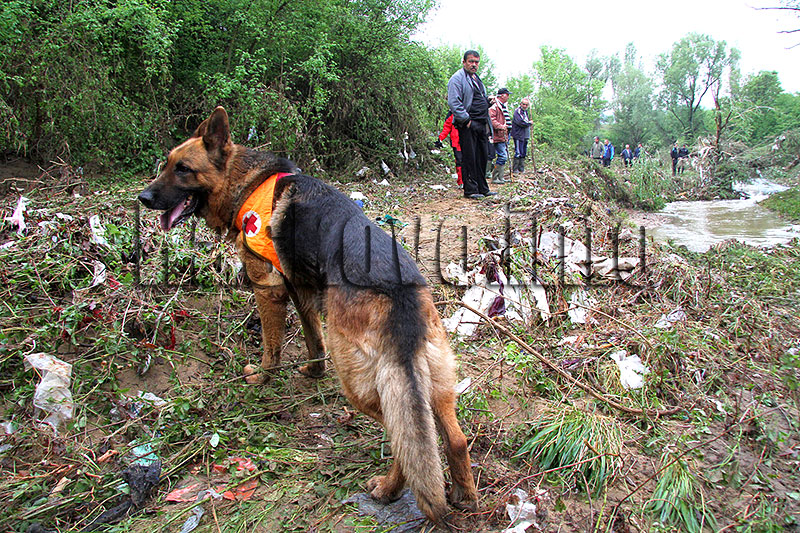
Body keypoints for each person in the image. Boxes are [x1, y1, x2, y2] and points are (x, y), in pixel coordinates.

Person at [447, 50, 497, 199]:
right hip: (468, 125)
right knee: (470, 157)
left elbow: (476, 100)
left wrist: (487, 102)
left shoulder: (476, 79)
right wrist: (466, 120)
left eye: (476, 62)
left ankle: (483, 188)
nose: (474, 65)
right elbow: (454, 102)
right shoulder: (457, 79)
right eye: (471, 61)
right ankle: (471, 190)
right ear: (464, 62)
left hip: (482, 124)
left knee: (482, 157)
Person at [489, 87, 512, 184]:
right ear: (502, 95)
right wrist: (501, 127)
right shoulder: (494, 107)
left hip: (504, 135)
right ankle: (495, 178)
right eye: (507, 95)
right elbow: (492, 120)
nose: (508, 97)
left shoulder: (503, 106)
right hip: (497, 135)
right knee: (502, 156)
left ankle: (500, 178)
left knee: (503, 155)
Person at [435, 111, 463, 187]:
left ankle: (469, 180)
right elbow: (447, 127)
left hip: (467, 141)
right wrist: (440, 139)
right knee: (459, 161)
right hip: (456, 142)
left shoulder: (468, 110)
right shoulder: (452, 113)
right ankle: (461, 182)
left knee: (468, 161)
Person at [510, 98, 532, 173]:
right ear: (520, 104)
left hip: (525, 135)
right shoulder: (517, 112)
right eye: (523, 104)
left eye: (526, 104)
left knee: (523, 151)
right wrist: (529, 123)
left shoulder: (526, 112)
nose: (525, 106)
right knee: (518, 152)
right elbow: (520, 122)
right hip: (518, 135)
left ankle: (521, 168)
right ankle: (515, 169)